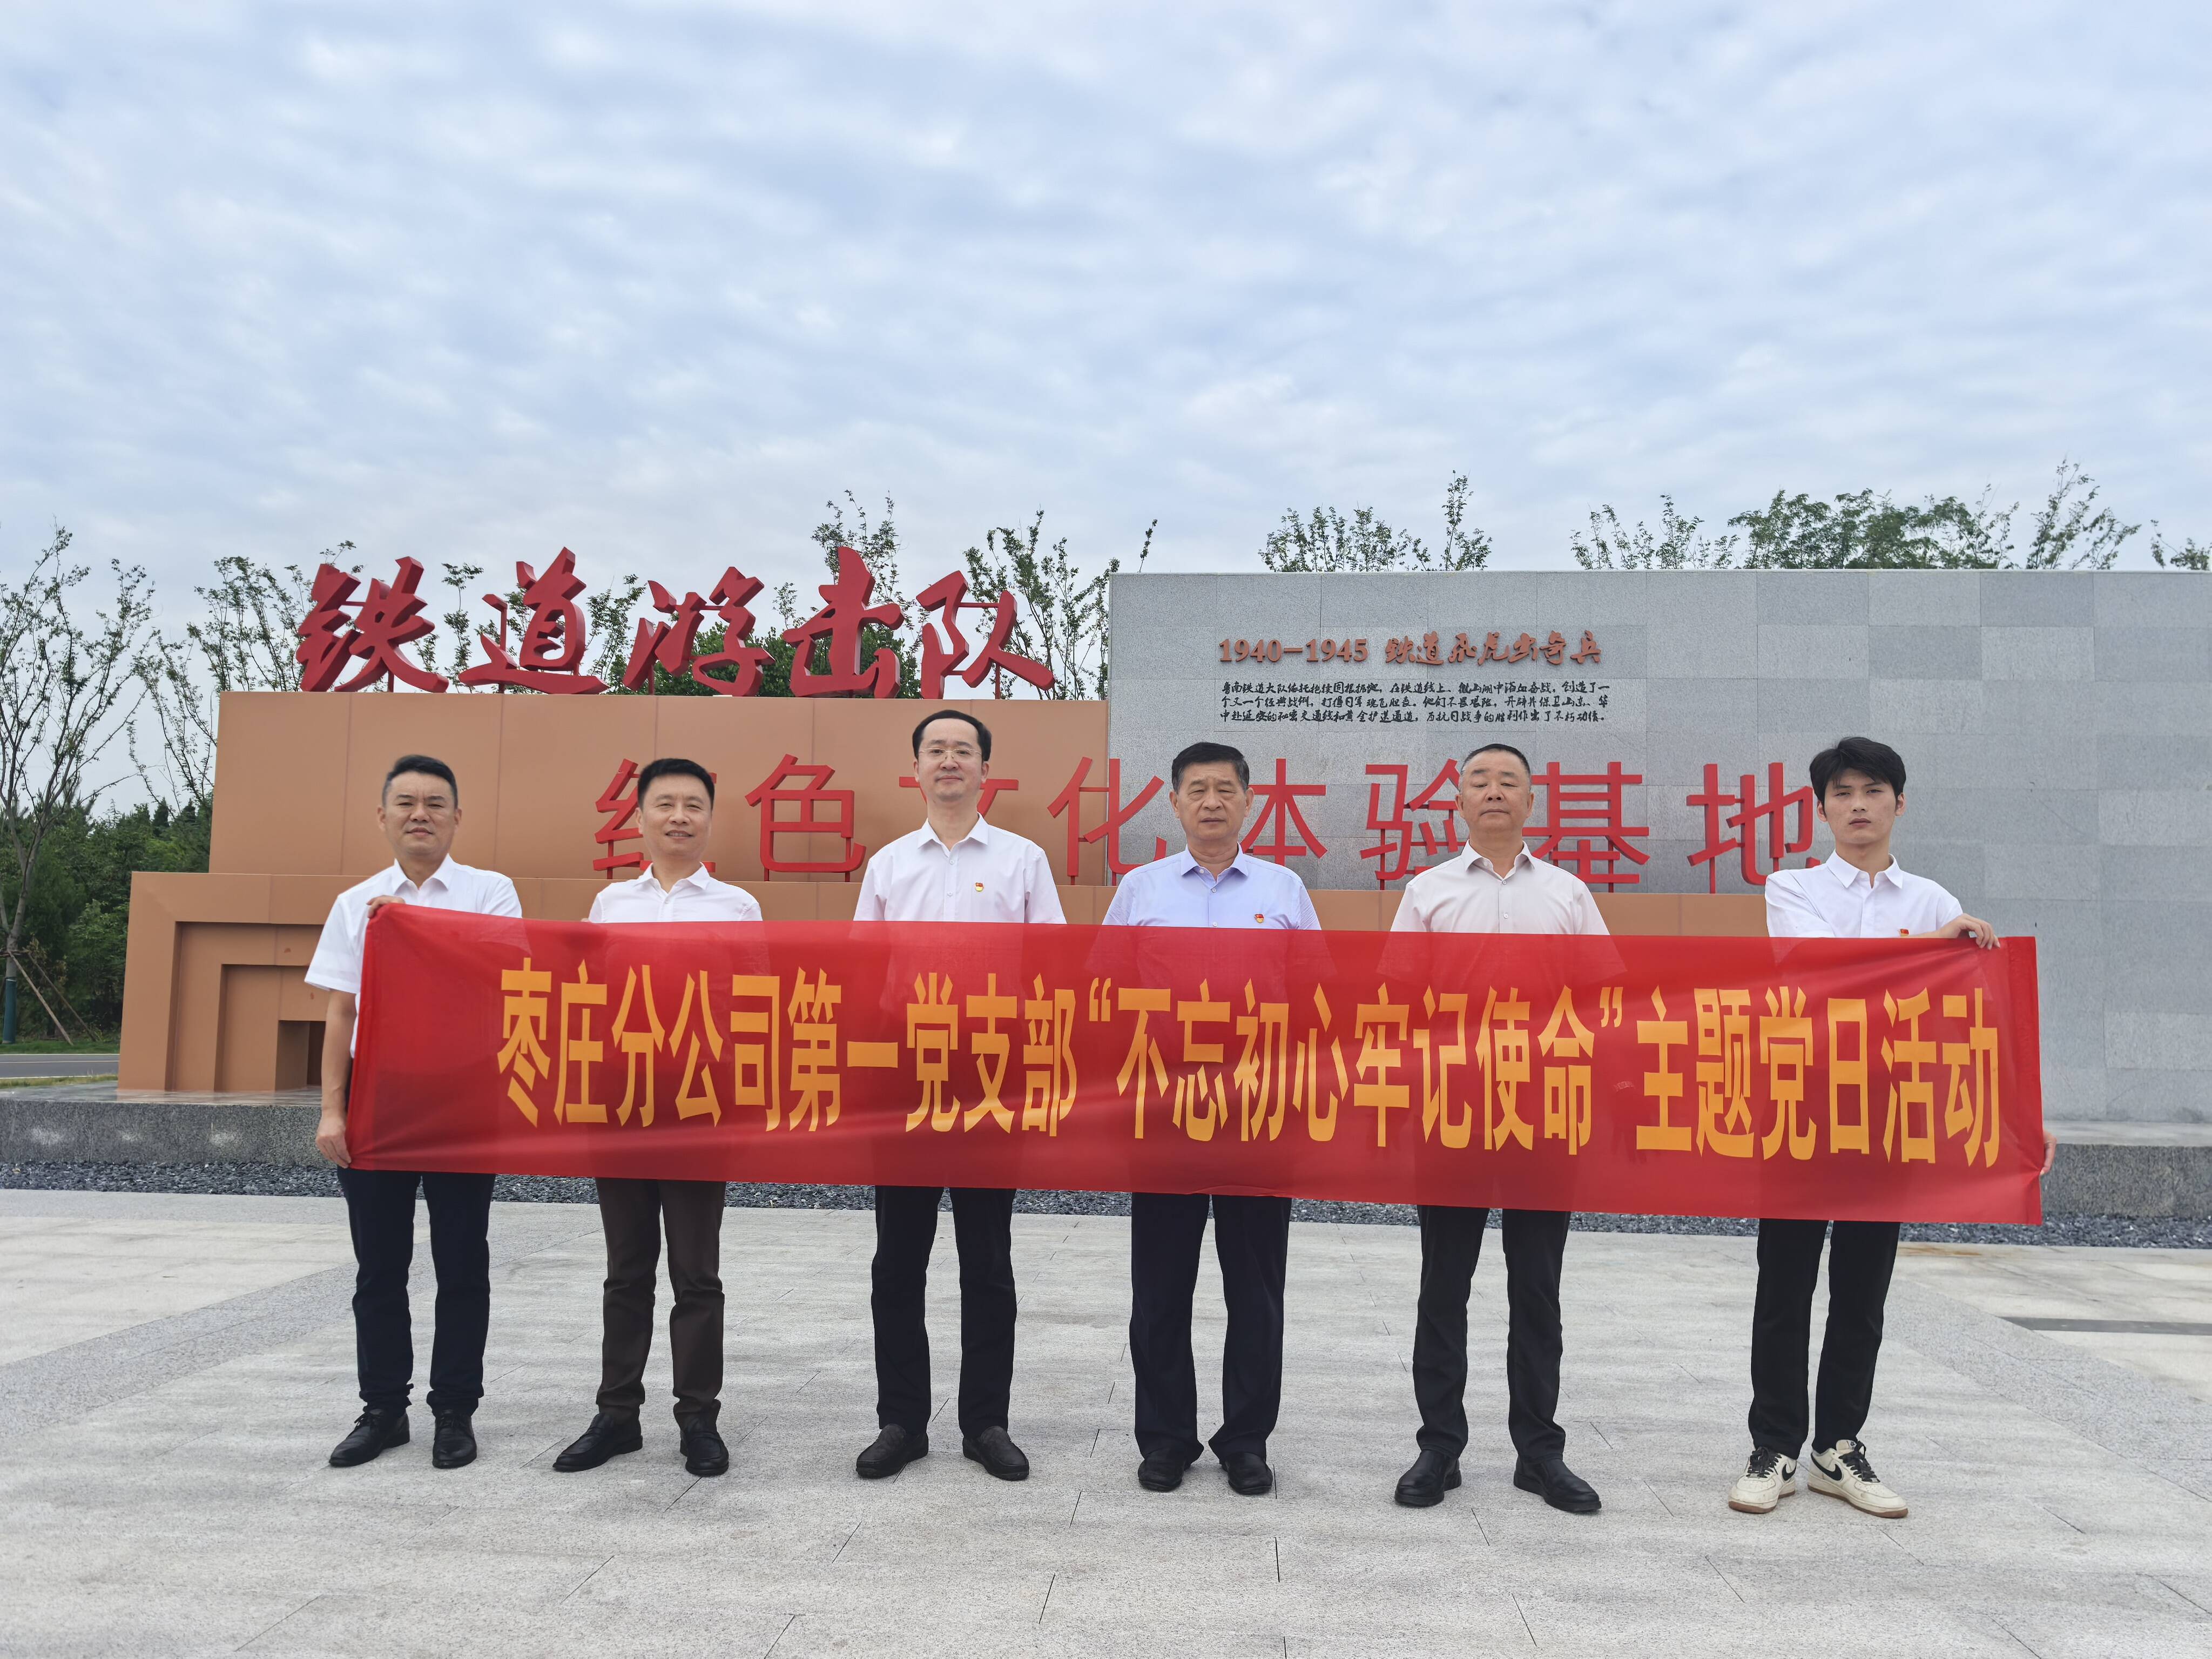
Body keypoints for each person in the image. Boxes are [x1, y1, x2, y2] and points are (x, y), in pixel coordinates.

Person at [1727, 736, 1998, 1521]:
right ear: (1822, 810)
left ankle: (1837, 1447)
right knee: (1784, 1283)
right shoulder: (1793, 887)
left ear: (1899, 804)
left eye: (1873, 791)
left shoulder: (1933, 899)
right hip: (1802, 1105)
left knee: (1862, 1289)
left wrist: (2017, 1116)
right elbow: (1822, 968)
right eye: (1842, 793)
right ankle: (1775, 1445)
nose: (1857, 806)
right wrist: (1927, 952)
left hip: (1889, 1112)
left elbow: (1969, 1011)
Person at [1386, 743, 1607, 1515]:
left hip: (1545, 1110)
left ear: (1531, 801)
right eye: (1478, 781)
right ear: (1459, 801)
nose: (1493, 792)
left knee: (1537, 1287)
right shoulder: (1428, 890)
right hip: (1452, 1110)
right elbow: (1398, 998)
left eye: (1509, 781)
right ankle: (1439, 1447)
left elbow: (1603, 998)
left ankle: (1540, 1452)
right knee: (1443, 1284)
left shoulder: (1570, 894)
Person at [849, 710, 1065, 1482]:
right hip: (906, 1078)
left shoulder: (1022, 859)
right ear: (915, 768)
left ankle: (986, 1423)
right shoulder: (888, 865)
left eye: (963, 750)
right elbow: (862, 973)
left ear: (984, 770)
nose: (949, 761)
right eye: (935, 750)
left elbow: (1051, 966)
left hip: (990, 1075)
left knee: (988, 1259)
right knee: (897, 1261)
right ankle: (901, 1422)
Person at [1100, 740, 1321, 1498]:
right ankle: (1166, 1440)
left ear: (1249, 800)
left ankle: (1245, 1441)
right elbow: (1103, 991)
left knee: (1255, 1288)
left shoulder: (1284, 889)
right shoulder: (1141, 889)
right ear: (1174, 803)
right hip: (1164, 1111)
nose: (1212, 802)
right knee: (1161, 1286)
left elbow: (1318, 995)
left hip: (1259, 1113)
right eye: (1197, 790)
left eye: (1225, 789)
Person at [308, 754, 523, 1471]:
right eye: (405, 802)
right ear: (383, 816)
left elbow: (501, 977)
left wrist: (416, 929)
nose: (420, 814)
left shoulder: (491, 892)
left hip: (463, 1096)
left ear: (457, 818)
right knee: (380, 1268)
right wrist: (332, 1111)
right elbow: (341, 1013)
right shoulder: (355, 904)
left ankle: (455, 1410)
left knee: (462, 1262)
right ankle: (383, 1410)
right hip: (377, 1096)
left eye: (435, 803)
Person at [554, 757, 763, 1480]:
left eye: (693, 805)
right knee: (626, 1269)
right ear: (639, 817)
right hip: (621, 1104)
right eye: (665, 803)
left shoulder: (737, 908)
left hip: (701, 1106)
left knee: (696, 1272)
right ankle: (617, 1415)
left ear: (710, 818)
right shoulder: (611, 905)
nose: (679, 816)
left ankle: (698, 1418)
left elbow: (754, 1006)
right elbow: (587, 995)